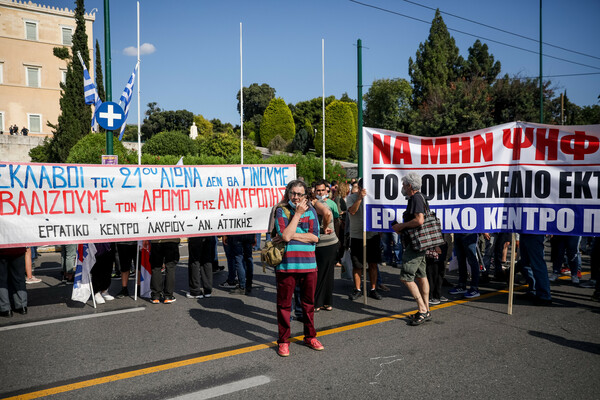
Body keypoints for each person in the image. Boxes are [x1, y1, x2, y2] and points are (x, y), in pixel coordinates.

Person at [274, 180, 323, 357]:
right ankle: (283, 341)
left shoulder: (311, 211)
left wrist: (291, 235)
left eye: (299, 194)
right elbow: (285, 236)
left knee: (308, 304)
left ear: (305, 195)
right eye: (293, 193)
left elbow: (315, 237)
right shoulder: (281, 210)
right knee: (284, 305)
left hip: (309, 265)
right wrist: (297, 216)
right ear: (288, 194)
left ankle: (310, 336)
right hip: (286, 266)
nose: (296, 197)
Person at [391, 172, 430, 326]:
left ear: (409, 185)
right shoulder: (421, 197)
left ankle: (422, 309)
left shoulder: (415, 198)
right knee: (421, 275)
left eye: (403, 184)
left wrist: (402, 225)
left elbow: (419, 220)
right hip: (420, 243)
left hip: (415, 244)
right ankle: (426, 308)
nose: (402, 187)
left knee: (406, 277)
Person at [346, 179, 382, 301]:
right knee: (357, 265)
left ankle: (373, 289)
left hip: (372, 235)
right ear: (359, 187)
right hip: (357, 235)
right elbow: (352, 211)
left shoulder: (375, 197)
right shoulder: (351, 198)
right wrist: (360, 198)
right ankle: (358, 289)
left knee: (373, 264)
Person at [313, 179, 339, 312]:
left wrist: (324, 228)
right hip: (321, 243)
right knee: (322, 273)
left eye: (323, 190)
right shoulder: (314, 203)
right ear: (314, 191)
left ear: (327, 190)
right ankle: (322, 302)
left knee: (325, 273)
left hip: (327, 242)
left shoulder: (329, 204)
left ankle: (322, 302)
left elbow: (333, 217)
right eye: (318, 190)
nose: (320, 192)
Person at [448, 233, 481, 299]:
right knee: (460, 260)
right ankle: (462, 285)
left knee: (472, 261)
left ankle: (474, 287)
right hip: (458, 233)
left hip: (470, 233)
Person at [149, 238, 180, 304]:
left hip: (156, 240)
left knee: (156, 267)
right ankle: (168, 296)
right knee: (170, 268)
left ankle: (156, 296)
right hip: (172, 240)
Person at [0, 247, 28, 317]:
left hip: (2, 250)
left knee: (2, 280)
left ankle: (5, 308)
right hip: (18, 249)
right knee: (19, 278)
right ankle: (22, 306)